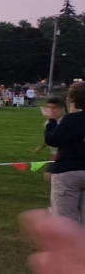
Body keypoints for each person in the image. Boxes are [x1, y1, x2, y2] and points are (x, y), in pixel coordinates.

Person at [43, 81, 85, 224]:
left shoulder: (72, 120)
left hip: (68, 170)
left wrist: (51, 122)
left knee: (66, 222)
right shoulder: (73, 119)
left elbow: (53, 139)